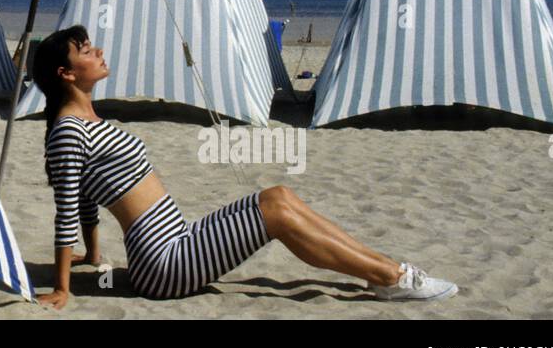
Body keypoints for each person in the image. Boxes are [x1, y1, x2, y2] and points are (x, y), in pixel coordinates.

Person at [32, 25, 458, 309]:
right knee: (275, 214)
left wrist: (93, 255)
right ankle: (391, 277)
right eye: (87, 51)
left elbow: (87, 201)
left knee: (278, 196)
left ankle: (387, 271)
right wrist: (63, 288)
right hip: (163, 264)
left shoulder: (87, 122)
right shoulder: (70, 130)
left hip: (179, 239)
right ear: (66, 73)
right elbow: (68, 206)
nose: (99, 51)